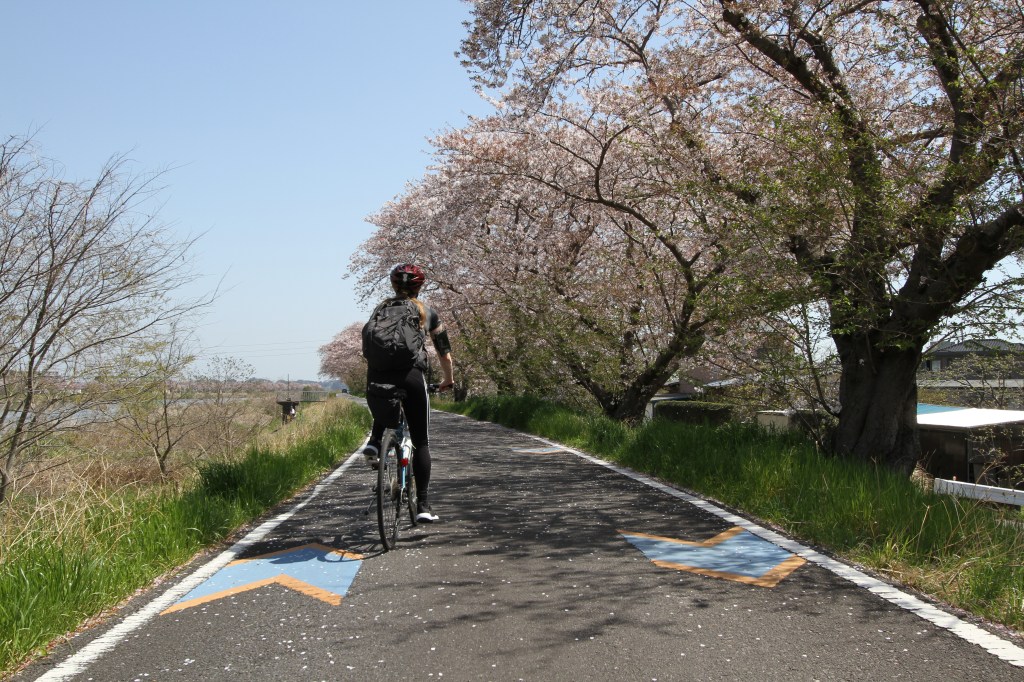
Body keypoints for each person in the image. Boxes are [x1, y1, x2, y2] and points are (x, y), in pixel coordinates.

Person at [362, 263, 454, 523]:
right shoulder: (427, 312)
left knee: (385, 399)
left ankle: (375, 441)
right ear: (419, 286)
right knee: (421, 441)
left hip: (378, 376)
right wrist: (448, 380)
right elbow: (444, 352)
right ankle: (423, 505)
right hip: (412, 377)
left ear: (393, 285)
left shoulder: (379, 310)